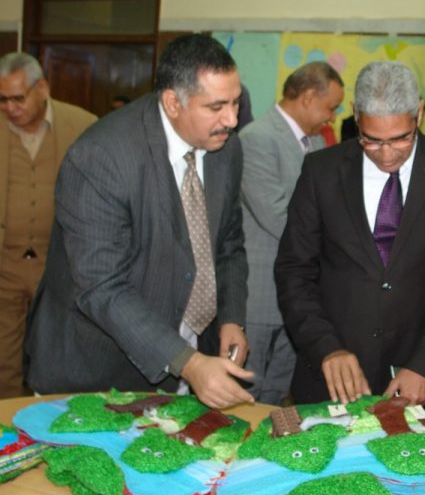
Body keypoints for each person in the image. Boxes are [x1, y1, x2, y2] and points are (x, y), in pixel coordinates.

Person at [24, 34, 254, 409]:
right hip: (93, 370)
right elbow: (101, 285)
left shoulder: (226, 149)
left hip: (184, 363)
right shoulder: (100, 157)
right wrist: (188, 362)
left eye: (236, 102)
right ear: (173, 102)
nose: (231, 119)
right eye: (216, 107)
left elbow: (228, 243)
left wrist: (232, 319)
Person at [276, 61, 425, 406]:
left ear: (419, 113)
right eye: (371, 140)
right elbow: (294, 270)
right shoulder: (321, 171)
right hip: (332, 375)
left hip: (416, 376)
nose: (387, 154)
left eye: (400, 139)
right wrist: (325, 347)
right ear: (356, 116)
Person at [0, 52, 96, 399]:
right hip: (0, 267)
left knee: (56, 360)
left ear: (42, 88)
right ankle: (4, 426)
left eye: (18, 98)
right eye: (2, 98)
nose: (9, 107)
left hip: (59, 269)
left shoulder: (82, 124)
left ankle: (48, 425)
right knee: (1, 363)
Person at [239, 61, 343, 404]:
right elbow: (276, 215)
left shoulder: (316, 143)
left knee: (278, 390)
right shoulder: (257, 138)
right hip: (261, 292)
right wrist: (337, 241)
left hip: (300, 295)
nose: (332, 117)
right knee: (246, 391)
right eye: (331, 107)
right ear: (309, 96)